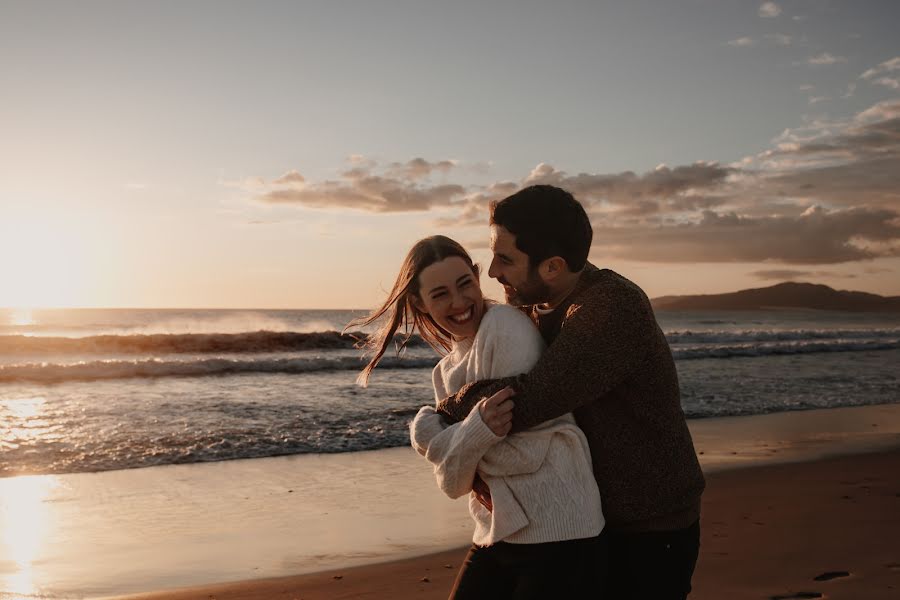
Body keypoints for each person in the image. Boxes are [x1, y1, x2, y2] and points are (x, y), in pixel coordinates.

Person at [435, 185, 706, 600]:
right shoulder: (530, 306)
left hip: (650, 526)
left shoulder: (612, 308)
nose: (491, 273)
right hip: (584, 521)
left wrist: (445, 413)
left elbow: (532, 398)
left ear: (553, 267)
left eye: (505, 259)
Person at [348, 235, 606, 599]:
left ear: (476, 274)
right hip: (496, 531)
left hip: (561, 532)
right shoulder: (443, 373)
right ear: (419, 303)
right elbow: (454, 485)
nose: (458, 302)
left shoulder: (504, 328)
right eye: (439, 294)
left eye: (464, 283)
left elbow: (522, 455)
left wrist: (445, 441)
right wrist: (471, 431)